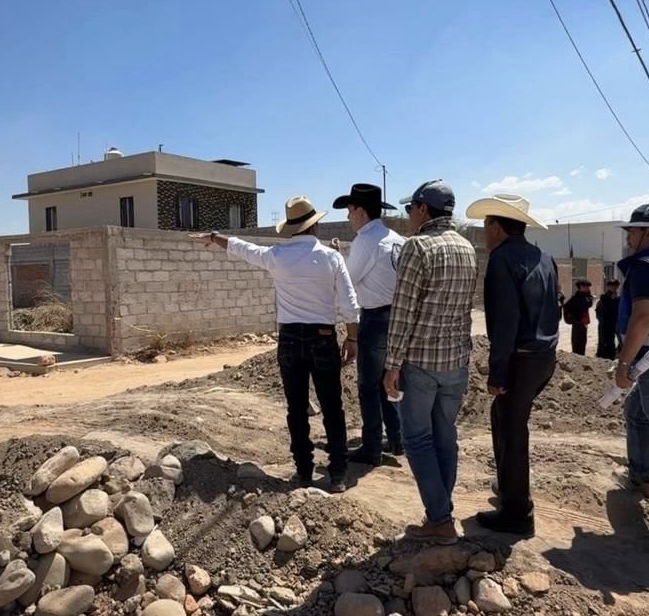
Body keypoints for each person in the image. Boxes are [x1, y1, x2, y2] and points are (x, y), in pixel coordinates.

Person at [190, 196, 359, 493]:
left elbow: (243, 248)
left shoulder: (277, 257)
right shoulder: (331, 258)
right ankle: (338, 475)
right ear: (315, 226)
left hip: (290, 339)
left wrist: (215, 237)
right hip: (322, 337)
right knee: (333, 407)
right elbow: (350, 304)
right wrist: (353, 338)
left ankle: (303, 472)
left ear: (291, 228)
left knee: (296, 409)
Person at [383, 180, 477, 543]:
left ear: (423, 209)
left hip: (421, 362)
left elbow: (403, 311)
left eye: (410, 209)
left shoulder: (417, 246)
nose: (408, 215)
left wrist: (392, 364)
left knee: (417, 439)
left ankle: (439, 519)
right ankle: (441, 512)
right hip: (455, 363)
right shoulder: (467, 248)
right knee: (445, 436)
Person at [466, 194, 560, 536]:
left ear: (497, 227)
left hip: (520, 359)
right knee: (504, 419)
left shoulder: (502, 260)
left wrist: (498, 372)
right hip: (544, 357)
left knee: (512, 430)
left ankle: (518, 513)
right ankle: (509, 487)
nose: (484, 232)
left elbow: (504, 322)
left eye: (486, 225)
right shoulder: (543, 257)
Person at [331, 183, 405, 464]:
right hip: (398, 318)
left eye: (350, 210)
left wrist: (336, 261)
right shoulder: (396, 239)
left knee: (369, 386)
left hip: (375, 319)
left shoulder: (366, 240)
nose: (348, 216)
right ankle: (397, 439)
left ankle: (372, 447)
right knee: (389, 381)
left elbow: (348, 281)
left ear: (361, 211)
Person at [613, 204, 649, 518]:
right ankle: (640, 476)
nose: (628, 236)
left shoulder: (647, 267)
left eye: (632, 230)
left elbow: (643, 318)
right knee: (637, 412)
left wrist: (624, 365)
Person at [563, 280, 593, 355]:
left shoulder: (586, 297)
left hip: (583, 324)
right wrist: (573, 319)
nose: (587, 288)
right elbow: (566, 307)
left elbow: (589, 304)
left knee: (582, 343)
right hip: (577, 324)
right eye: (585, 287)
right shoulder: (576, 298)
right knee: (577, 344)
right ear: (581, 287)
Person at [595, 279, 621, 360]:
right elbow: (600, 311)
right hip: (605, 323)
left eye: (616, 286)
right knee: (605, 341)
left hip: (614, 323)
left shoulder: (617, 298)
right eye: (612, 286)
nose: (614, 288)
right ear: (608, 287)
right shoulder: (604, 298)